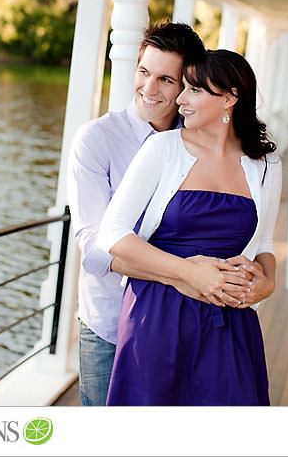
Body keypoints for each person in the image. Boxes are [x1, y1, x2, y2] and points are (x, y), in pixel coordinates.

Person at [67, 23, 270, 405]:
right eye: (143, 72)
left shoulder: (202, 139)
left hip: (204, 322)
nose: (149, 88)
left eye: (166, 79)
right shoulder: (96, 139)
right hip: (111, 321)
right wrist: (186, 275)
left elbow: (253, 234)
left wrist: (257, 280)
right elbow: (95, 249)